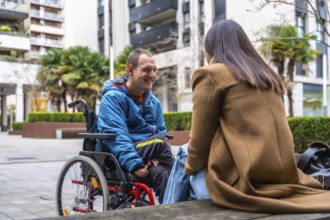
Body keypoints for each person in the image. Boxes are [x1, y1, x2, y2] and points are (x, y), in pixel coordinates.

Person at [164, 19, 330, 213]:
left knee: (185, 153)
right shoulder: (266, 75)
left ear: (211, 50)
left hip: (243, 182)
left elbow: (200, 142)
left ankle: (166, 212)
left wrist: (192, 171)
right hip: (282, 175)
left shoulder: (211, 74)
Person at [97, 48, 174, 204]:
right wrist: (135, 165)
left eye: (154, 70)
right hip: (122, 154)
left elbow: (160, 130)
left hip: (149, 153)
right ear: (131, 70)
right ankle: (180, 184)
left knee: (163, 174)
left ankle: (172, 211)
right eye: (146, 70)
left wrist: (151, 156)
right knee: (160, 142)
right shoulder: (113, 98)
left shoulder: (154, 103)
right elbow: (117, 137)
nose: (152, 75)